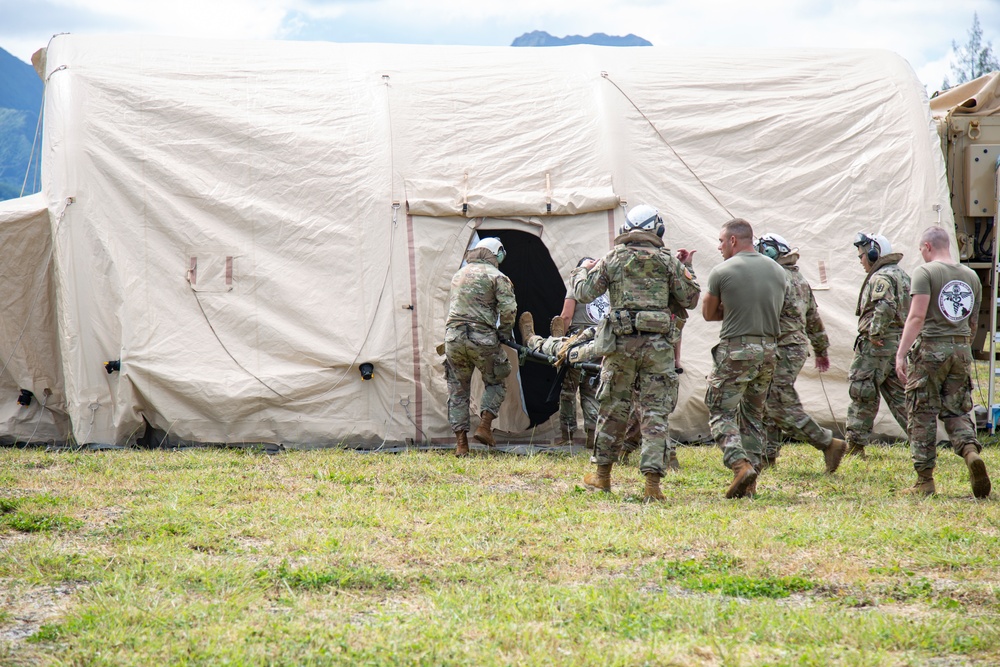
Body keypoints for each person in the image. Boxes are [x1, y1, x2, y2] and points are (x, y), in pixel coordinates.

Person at [571, 204, 700, 501]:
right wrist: (688, 267)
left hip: (620, 345)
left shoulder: (613, 258)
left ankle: (602, 477)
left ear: (626, 230)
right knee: (655, 414)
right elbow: (690, 299)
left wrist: (581, 269)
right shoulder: (669, 261)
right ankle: (652, 486)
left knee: (612, 408)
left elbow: (583, 293)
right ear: (658, 230)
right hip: (659, 347)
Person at [895, 226, 990, 498]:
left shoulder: (924, 273)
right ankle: (970, 452)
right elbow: (973, 322)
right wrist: (960, 346)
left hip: (929, 350)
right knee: (957, 410)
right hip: (961, 350)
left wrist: (901, 353)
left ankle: (924, 481)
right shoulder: (970, 276)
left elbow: (916, 317)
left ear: (926, 246)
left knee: (921, 413)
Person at [702, 218, 786, 499]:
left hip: (737, 351)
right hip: (769, 351)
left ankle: (739, 465)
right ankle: (750, 484)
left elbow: (708, 314)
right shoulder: (777, 270)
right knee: (753, 416)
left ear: (733, 241)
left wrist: (733, 307)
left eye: (721, 241)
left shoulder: (722, 271)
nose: (719, 246)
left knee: (720, 410)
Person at [757, 233, 847, 473]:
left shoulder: (775, 278)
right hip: (794, 348)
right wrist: (821, 350)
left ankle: (827, 443)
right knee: (771, 400)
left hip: (781, 348)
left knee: (778, 404)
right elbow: (813, 319)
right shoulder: (800, 279)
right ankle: (767, 456)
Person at [444, 237, 517, 457]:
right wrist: (504, 334)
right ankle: (484, 426)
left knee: (458, 389)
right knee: (496, 380)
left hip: (454, 338)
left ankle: (461, 444)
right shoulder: (498, 277)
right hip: (482, 338)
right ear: (496, 253)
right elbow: (508, 311)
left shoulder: (459, 274)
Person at [847, 233, 911, 458]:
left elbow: (885, 305)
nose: (861, 260)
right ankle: (923, 442)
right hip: (897, 345)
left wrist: (874, 332)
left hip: (877, 347)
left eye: (862, 255)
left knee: (862, 391)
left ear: (874, 254)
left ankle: (855, 446)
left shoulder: (881, 277)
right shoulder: (902, 275)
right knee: (901, 398)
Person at [551, 258, 605, 449]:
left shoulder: (577, 285)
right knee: (591, 390)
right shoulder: (604, 286)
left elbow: (566, 316)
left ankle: (567, 435)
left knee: (568, 389)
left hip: (577, 342)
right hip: (598, 343)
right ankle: (592, 433)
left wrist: (560, 342)